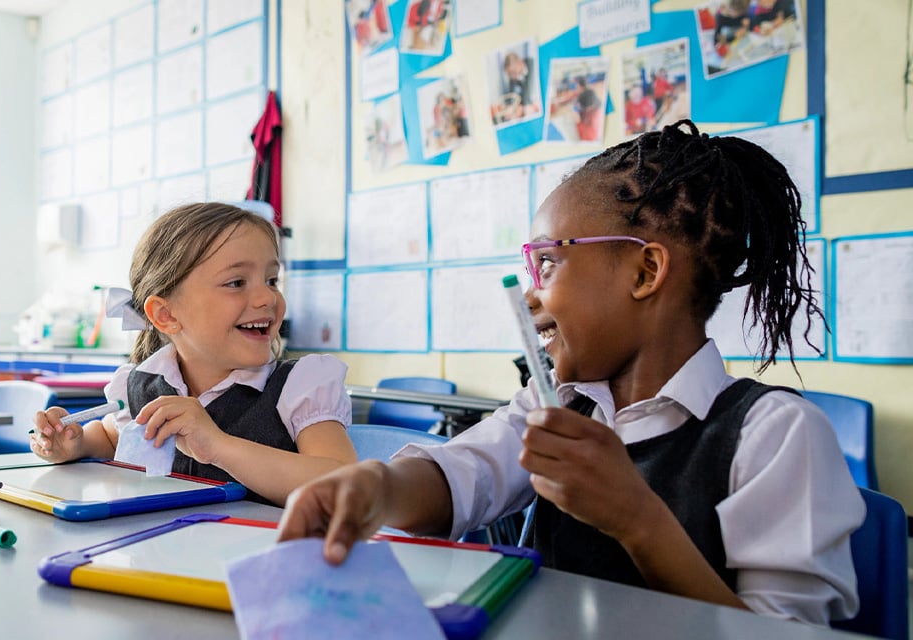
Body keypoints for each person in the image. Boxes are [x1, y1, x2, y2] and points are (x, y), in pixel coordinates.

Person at [278, 120, 863, 626]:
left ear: (644, 272)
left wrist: (637, 521)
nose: (531, 296)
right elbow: (464, 475)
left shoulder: (774, 435)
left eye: (549, 263)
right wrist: (377, 489)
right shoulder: (556, 403)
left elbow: (781, 632)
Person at [31, 203, 357, 506]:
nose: (267, 298)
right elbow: (110, 435)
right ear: (166, 315)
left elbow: (347, 486)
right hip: (165, 557)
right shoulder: (142, 384)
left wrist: (218, 446)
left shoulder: (301, 387)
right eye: (236, 282)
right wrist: (76, 443)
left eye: (272, 280)